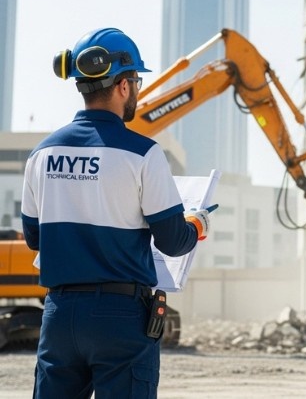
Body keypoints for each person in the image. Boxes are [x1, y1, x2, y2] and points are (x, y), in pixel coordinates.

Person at [21, 28, 212, 398]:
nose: (137, 89)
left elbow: (34, 239)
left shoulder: (41, 154)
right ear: (124, 85)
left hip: (59, 314)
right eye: (137, 81)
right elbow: (173, 242)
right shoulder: (143, 154)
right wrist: (196, 225)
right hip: (120, 317)